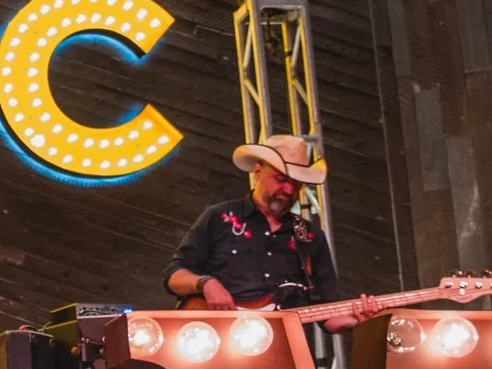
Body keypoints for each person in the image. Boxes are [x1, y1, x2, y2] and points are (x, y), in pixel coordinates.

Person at [164, 134, 382, 324]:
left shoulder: (309, 236)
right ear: (258, 171)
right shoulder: (219, 217)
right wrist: (206, 283)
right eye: (281, 179)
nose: (288, 189)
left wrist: (358, 320)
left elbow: (326, 312)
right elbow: (174, 276)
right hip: (219, 340)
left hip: (281, 347)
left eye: (296, 184)